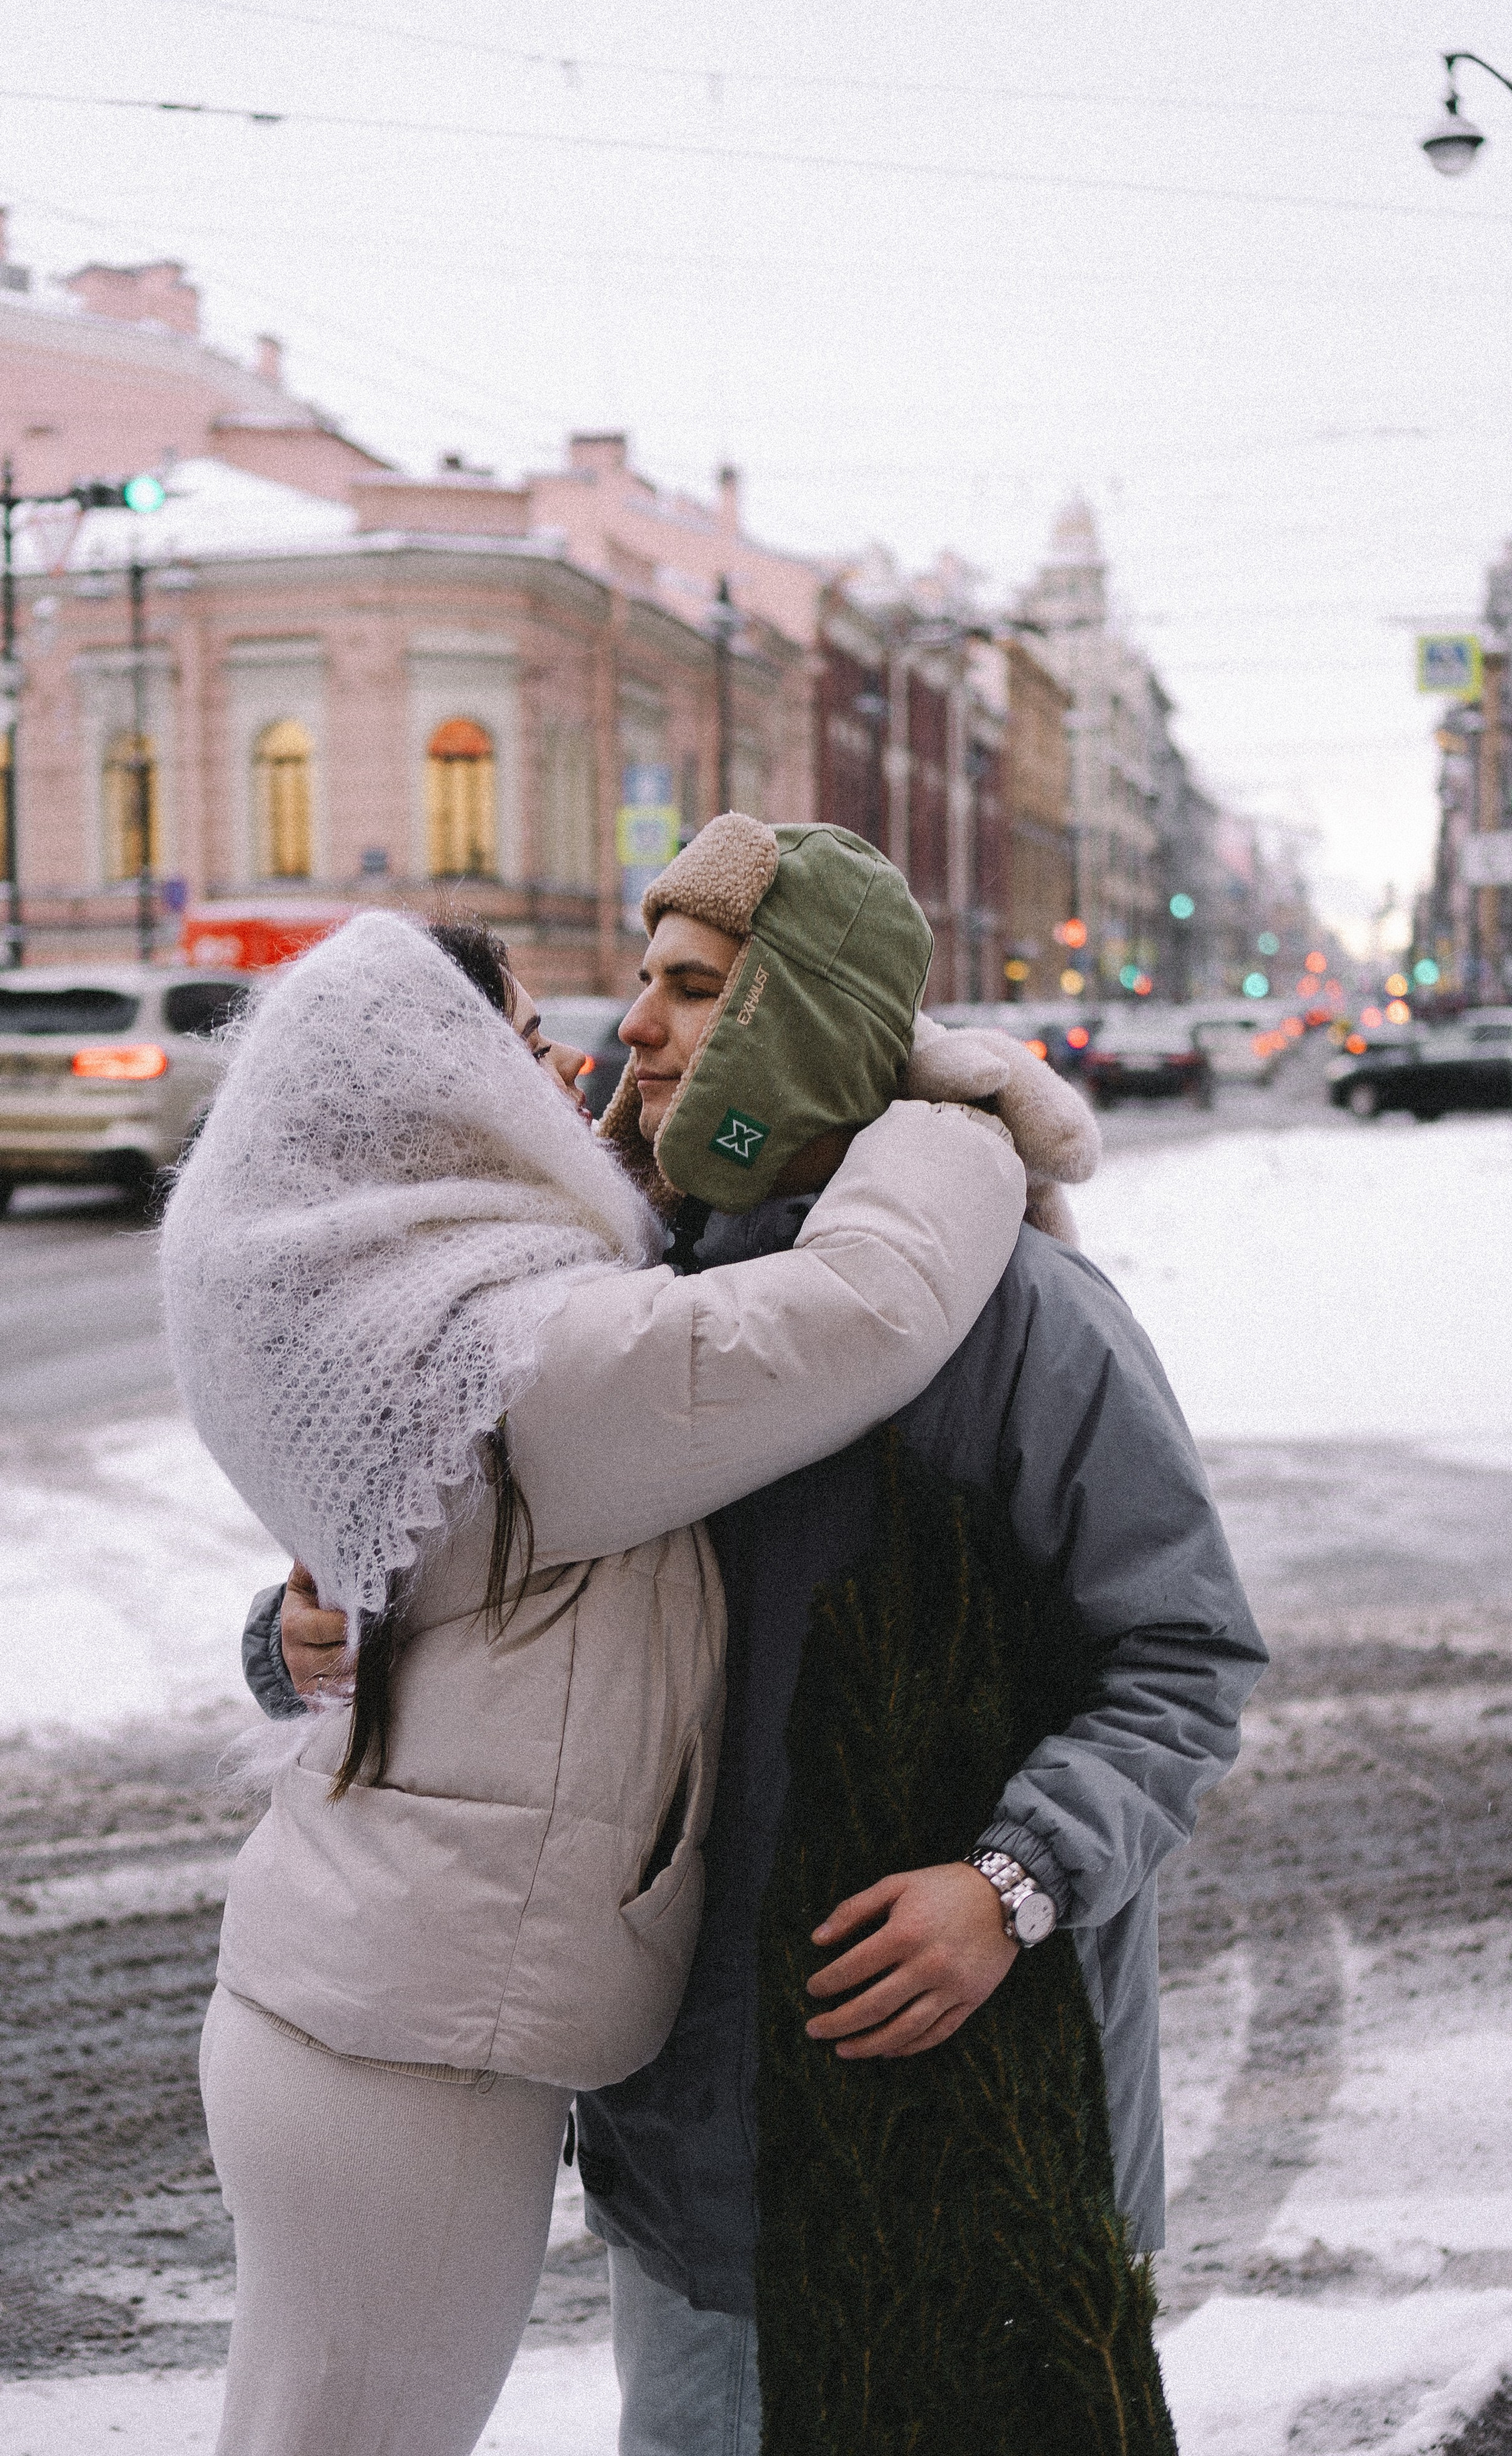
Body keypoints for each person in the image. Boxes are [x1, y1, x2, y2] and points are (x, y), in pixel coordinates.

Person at [259, 817, 1266, 2456]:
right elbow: (451, 1582)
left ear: (798, 1019)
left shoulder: (1024, 1322)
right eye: (643, 986)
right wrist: (303, 1625)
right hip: (691, 2162)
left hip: (974, 2134)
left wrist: (1011, 1884)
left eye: (692, 990)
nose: (633, 1031)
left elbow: (1181, 1657)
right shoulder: (612, 1304)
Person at [164, 892, 1027, 2456]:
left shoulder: (388, 1320)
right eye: (526, 1045)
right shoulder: (517, 1360)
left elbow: (391, 1593)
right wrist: (951, 1123)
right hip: (410, 2060)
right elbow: (858, 1313)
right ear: (443, 1092)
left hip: (342, 2000)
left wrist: (280, 1636)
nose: (574, 1069)